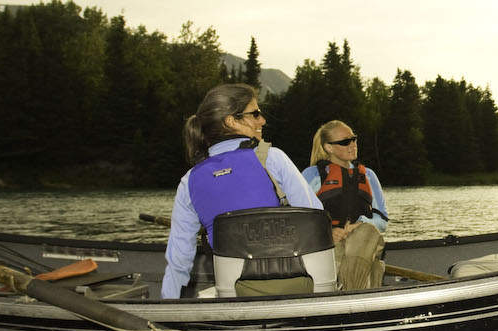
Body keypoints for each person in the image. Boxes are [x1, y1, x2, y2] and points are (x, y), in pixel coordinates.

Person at [160, 83, 329, 299]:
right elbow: (316, 218)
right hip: (299, 286)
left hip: (234, 295)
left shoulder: (188, 181)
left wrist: (168, 308)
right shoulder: (273, 157)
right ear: (232, 121)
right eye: (255, 114)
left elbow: (178, 261)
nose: (263, 120)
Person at [299, 120, 388, 290]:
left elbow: (382, 221)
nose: (353, 145)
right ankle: (354, 294)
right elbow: (301, 218)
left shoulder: (369, 176)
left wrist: (359, 224)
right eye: (345, 142)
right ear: (329, 148)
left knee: (367, 232)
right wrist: (328, 233)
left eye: (354, 139)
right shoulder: (312, 175)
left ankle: (348, 291)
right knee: (340, 248)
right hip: (327, 243)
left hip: (363, 242)